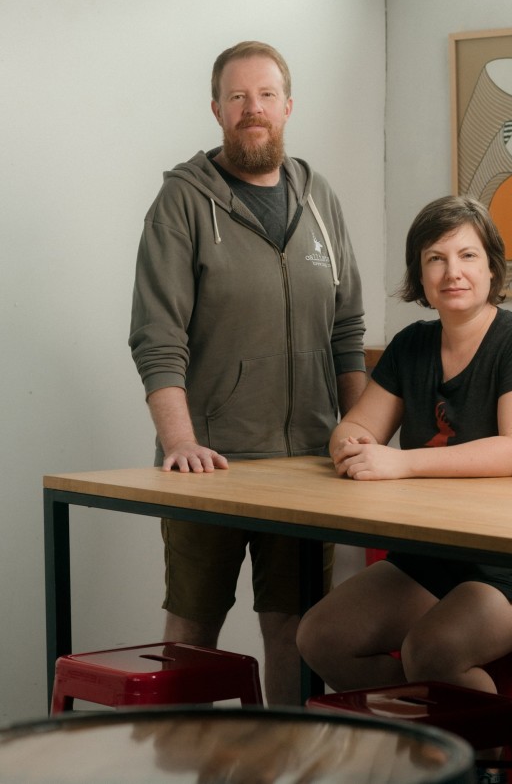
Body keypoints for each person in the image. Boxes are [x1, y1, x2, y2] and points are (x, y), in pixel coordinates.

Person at [129, 41, 367, 705]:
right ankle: (191, 767)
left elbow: (347, 331)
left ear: (288, 106)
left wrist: (357, 432)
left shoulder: (319, 198)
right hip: (211, 465)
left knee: (293, 629)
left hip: (305, 465)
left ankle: (284, 767)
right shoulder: (182, 201)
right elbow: (157, 336)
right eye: (237, 97)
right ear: (216, 109)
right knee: (192, 629)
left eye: (265, 95)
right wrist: (180, 442)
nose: (251, 109)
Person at [296, 195, 512, 699]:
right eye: (435, 258)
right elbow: (355, 427)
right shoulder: (412, 344)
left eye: (467, 256)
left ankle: (492, 769)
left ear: (492, 267)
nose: (451, 272)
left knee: (432, 651)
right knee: (321, 637)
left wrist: (399, 462)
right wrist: (350, 446)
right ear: (420, 274)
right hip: (441, 553)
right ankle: (429, 742)